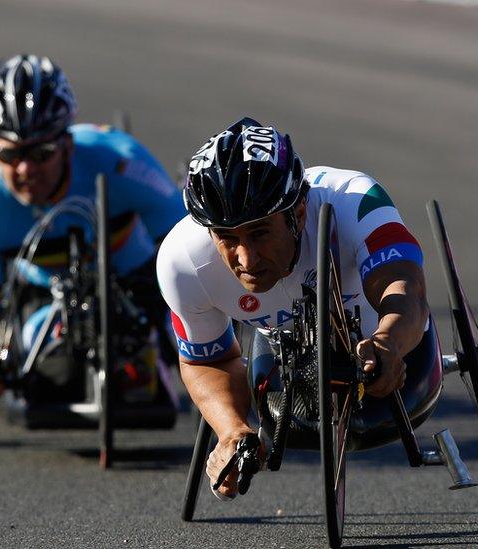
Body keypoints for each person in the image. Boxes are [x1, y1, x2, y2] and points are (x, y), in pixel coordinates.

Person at [156, 117, 430, 499]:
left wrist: (388, 340)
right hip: (284, 366)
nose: (246, 260)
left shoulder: (355, 198)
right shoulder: (181, 260)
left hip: (394, 347)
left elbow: (406, 288)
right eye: (227, 238)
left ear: (298, 213)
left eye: (260, 232)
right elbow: (206, 360)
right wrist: (231, 431)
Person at [0, 54, 187, 405]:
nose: (27, 169)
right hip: (46, 296)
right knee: (47, 365)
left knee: (171, 333)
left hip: (136, 275)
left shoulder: (121, 161)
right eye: (11, 155)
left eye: (42, 152)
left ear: (67, 143)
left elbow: (191, 249)